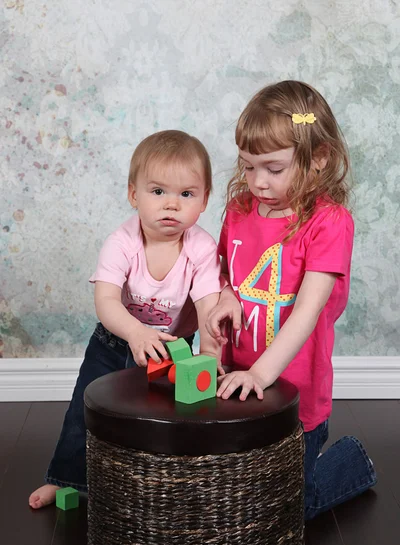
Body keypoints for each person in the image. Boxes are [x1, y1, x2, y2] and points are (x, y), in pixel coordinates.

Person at [206, 80, 377, 520]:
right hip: (237, 382)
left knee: (285, 510)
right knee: (226, 492)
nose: (258, 181)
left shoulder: (328, 223)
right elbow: (227, 271)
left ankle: (352, 461)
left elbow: (307, 310)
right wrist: (225, 294)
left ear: (318, 158)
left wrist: (261, 374)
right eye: (248, 166)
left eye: (274, 168)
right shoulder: (239, 210)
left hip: (295, 392)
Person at [29, 130, 224, 509]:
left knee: (161, 417)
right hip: (115, 340)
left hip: (172, 350)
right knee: (84, 411)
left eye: (186, 194)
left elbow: (208, 310)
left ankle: (150, 487)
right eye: (158, 192)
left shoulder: (200, 247)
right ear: (134, 195)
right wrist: (135, 331)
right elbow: (105, 300)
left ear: (203, 200)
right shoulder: (122, 242)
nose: (171, 204)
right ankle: (64, 478)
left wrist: (212, 360)